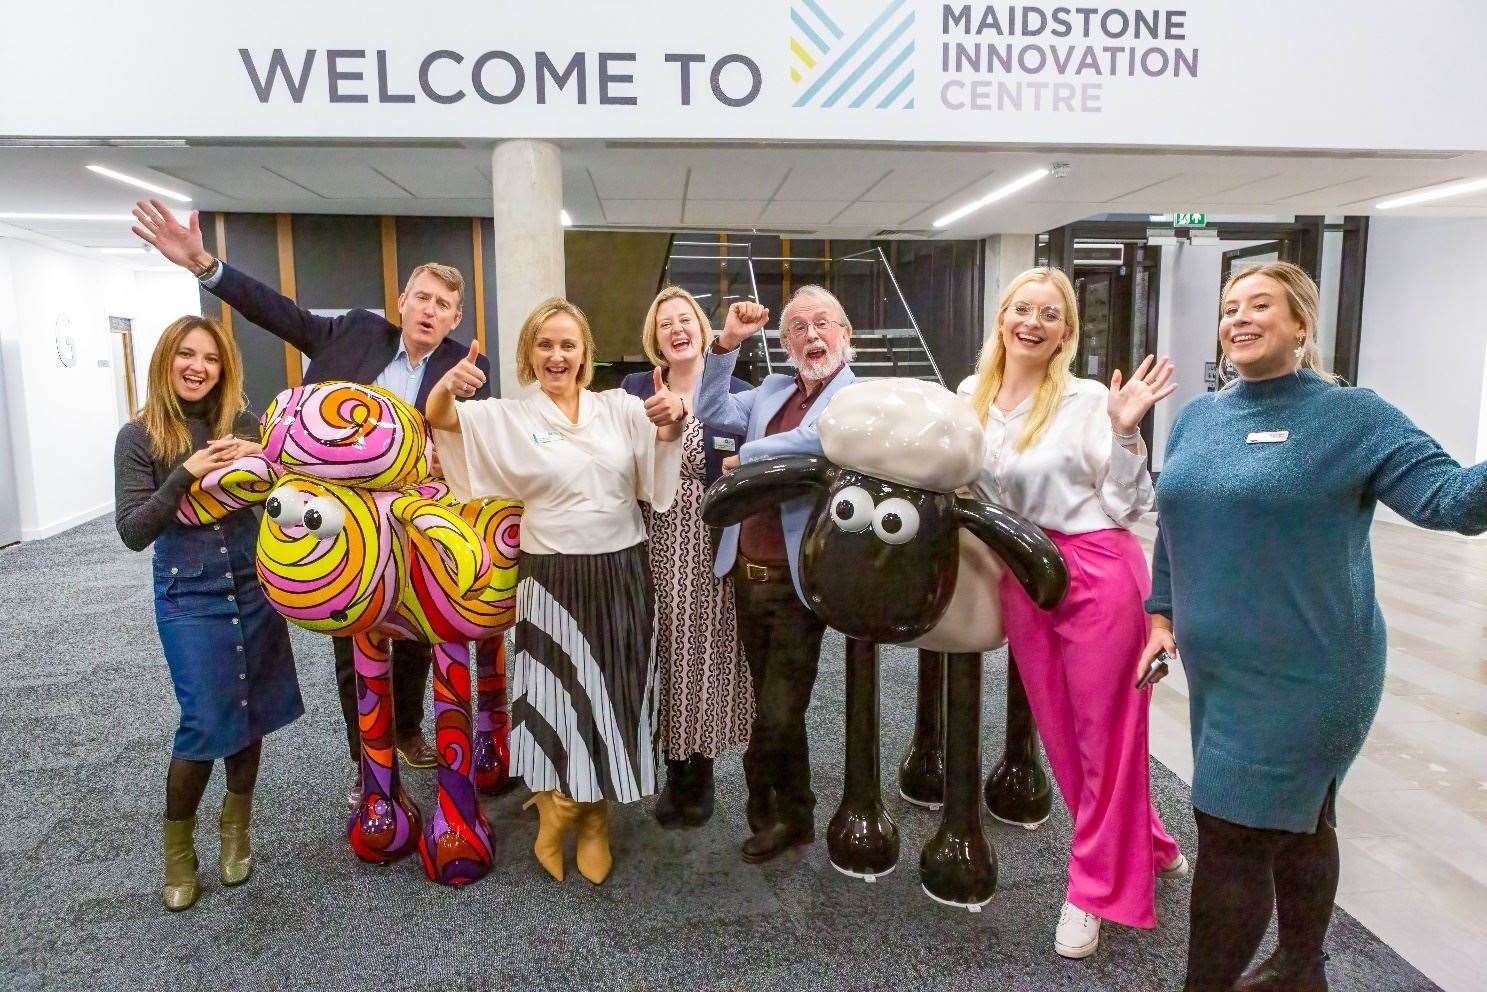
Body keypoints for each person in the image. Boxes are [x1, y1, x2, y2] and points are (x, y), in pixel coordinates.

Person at [1138, 261, 1487, 992]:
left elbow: (1451, 502)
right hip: (1220, 675)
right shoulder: (1202, 416)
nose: (1237, 317)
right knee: (1298, 820)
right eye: (1229, 306)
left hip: (1312, 673)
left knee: (1229, 838)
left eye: (1259, 305)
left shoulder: (1352, 416)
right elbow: (1174, 523)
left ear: (1300, 324)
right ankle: (1302, 967)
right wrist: (1160, 613)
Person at [131, 198, 492, 805]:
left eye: (444, 305)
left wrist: (457, 414)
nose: (431, 311)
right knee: (356, 646)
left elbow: (472, 446)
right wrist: (203, 266)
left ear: (455, 317)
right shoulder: (354, 331)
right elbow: (277, 313)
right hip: (341, 527)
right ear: (402, 302)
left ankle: (404, 729)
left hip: (412, 525)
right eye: (422, 298)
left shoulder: (464, 367)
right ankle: (367, 766)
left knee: (417, 640)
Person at [959, 266, 1185, 959]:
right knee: (1062, 737)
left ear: (1065, 331)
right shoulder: (970, 396)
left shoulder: (1087, 399)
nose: (1032, 321)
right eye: (1022, 308)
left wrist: (1123, 433)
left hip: (1096, 569)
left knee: (1107, 735)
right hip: (1021, 573)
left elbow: (1128, 506)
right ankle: (1145, 841)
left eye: (1049, 314)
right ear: (1001, 318)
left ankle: (1091, 890)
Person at [427, 297, 687, 884]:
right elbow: (441, 417)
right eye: (545, 344)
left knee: (616, 697)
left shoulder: (618, 407)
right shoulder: (511, 416)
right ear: (529, 354)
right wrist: (447, 384)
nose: (557, 355)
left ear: (585, 354)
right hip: (552, 577)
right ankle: (557, 806)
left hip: (622, 572)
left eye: (568, 345)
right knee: (558, 698)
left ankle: (594, 818)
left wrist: (673, 414)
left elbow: (663, 443)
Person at [114, 315, 304, 911]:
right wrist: (186, 474)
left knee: (250, 712)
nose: (198, 367)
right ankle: (178, 850)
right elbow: (133, 531)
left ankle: (236, 828)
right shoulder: (139, 436)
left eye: (211, 358)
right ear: (166, 359)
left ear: (225, 369)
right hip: (188, 594)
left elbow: (283, 498)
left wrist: (268, 464)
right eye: (187, 355)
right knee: (203, 719)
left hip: (253, 585)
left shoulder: (242, 423)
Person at [692, 286, 857, 864]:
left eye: (823, 324)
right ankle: (797, 812)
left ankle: (770, 814)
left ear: (846, 335)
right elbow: (712, 412)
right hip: (744, 571)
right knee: (770, 699)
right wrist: (726, 346)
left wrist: (748, 454)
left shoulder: (852, 397)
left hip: (799, 578)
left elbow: (820, 440)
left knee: (779, 709)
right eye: (798, 329)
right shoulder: (772, 389)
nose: (812, 336)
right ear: (785, 344)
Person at [621, 287, 752, 828]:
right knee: (660, 654)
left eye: (685, 320)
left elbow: (730, 465)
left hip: (710, 541)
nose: (676, 330)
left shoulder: (738, 392)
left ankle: (698, 778)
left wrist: (686, 424)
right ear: (654, 339)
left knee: (705, 657)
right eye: (664, 324)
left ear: (702, 329)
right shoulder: (633, 388)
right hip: (649, 535)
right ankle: (670, 769)